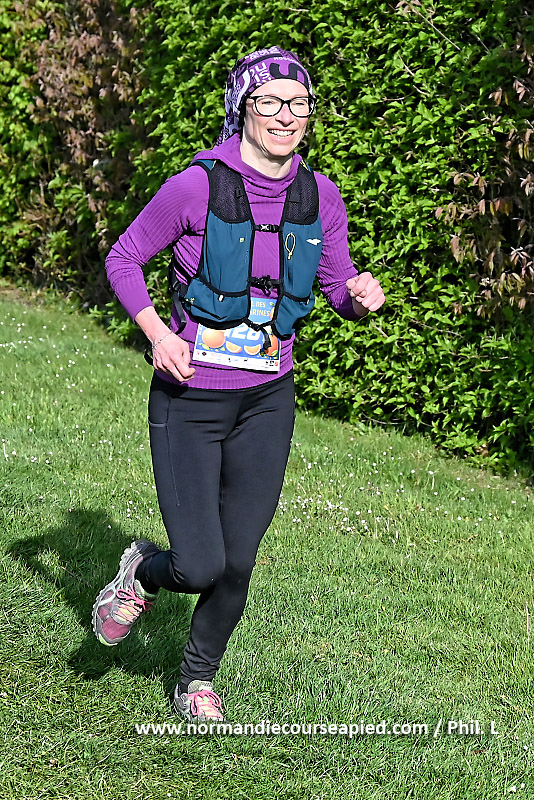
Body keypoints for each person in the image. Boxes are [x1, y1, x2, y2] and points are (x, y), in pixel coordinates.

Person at [92, 46, 385, 723]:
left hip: (266, 401)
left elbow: (335, 286)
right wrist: (158, 335)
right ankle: (142, 571)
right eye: (270, 102)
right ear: (243, 108)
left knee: (238, 561)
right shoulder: (195, 186)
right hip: (191, 398)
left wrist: (358, 297)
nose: (287, 116)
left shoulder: (320, 195)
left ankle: (197, 679)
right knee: (197, 565)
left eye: (299, 103)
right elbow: (125, 258)